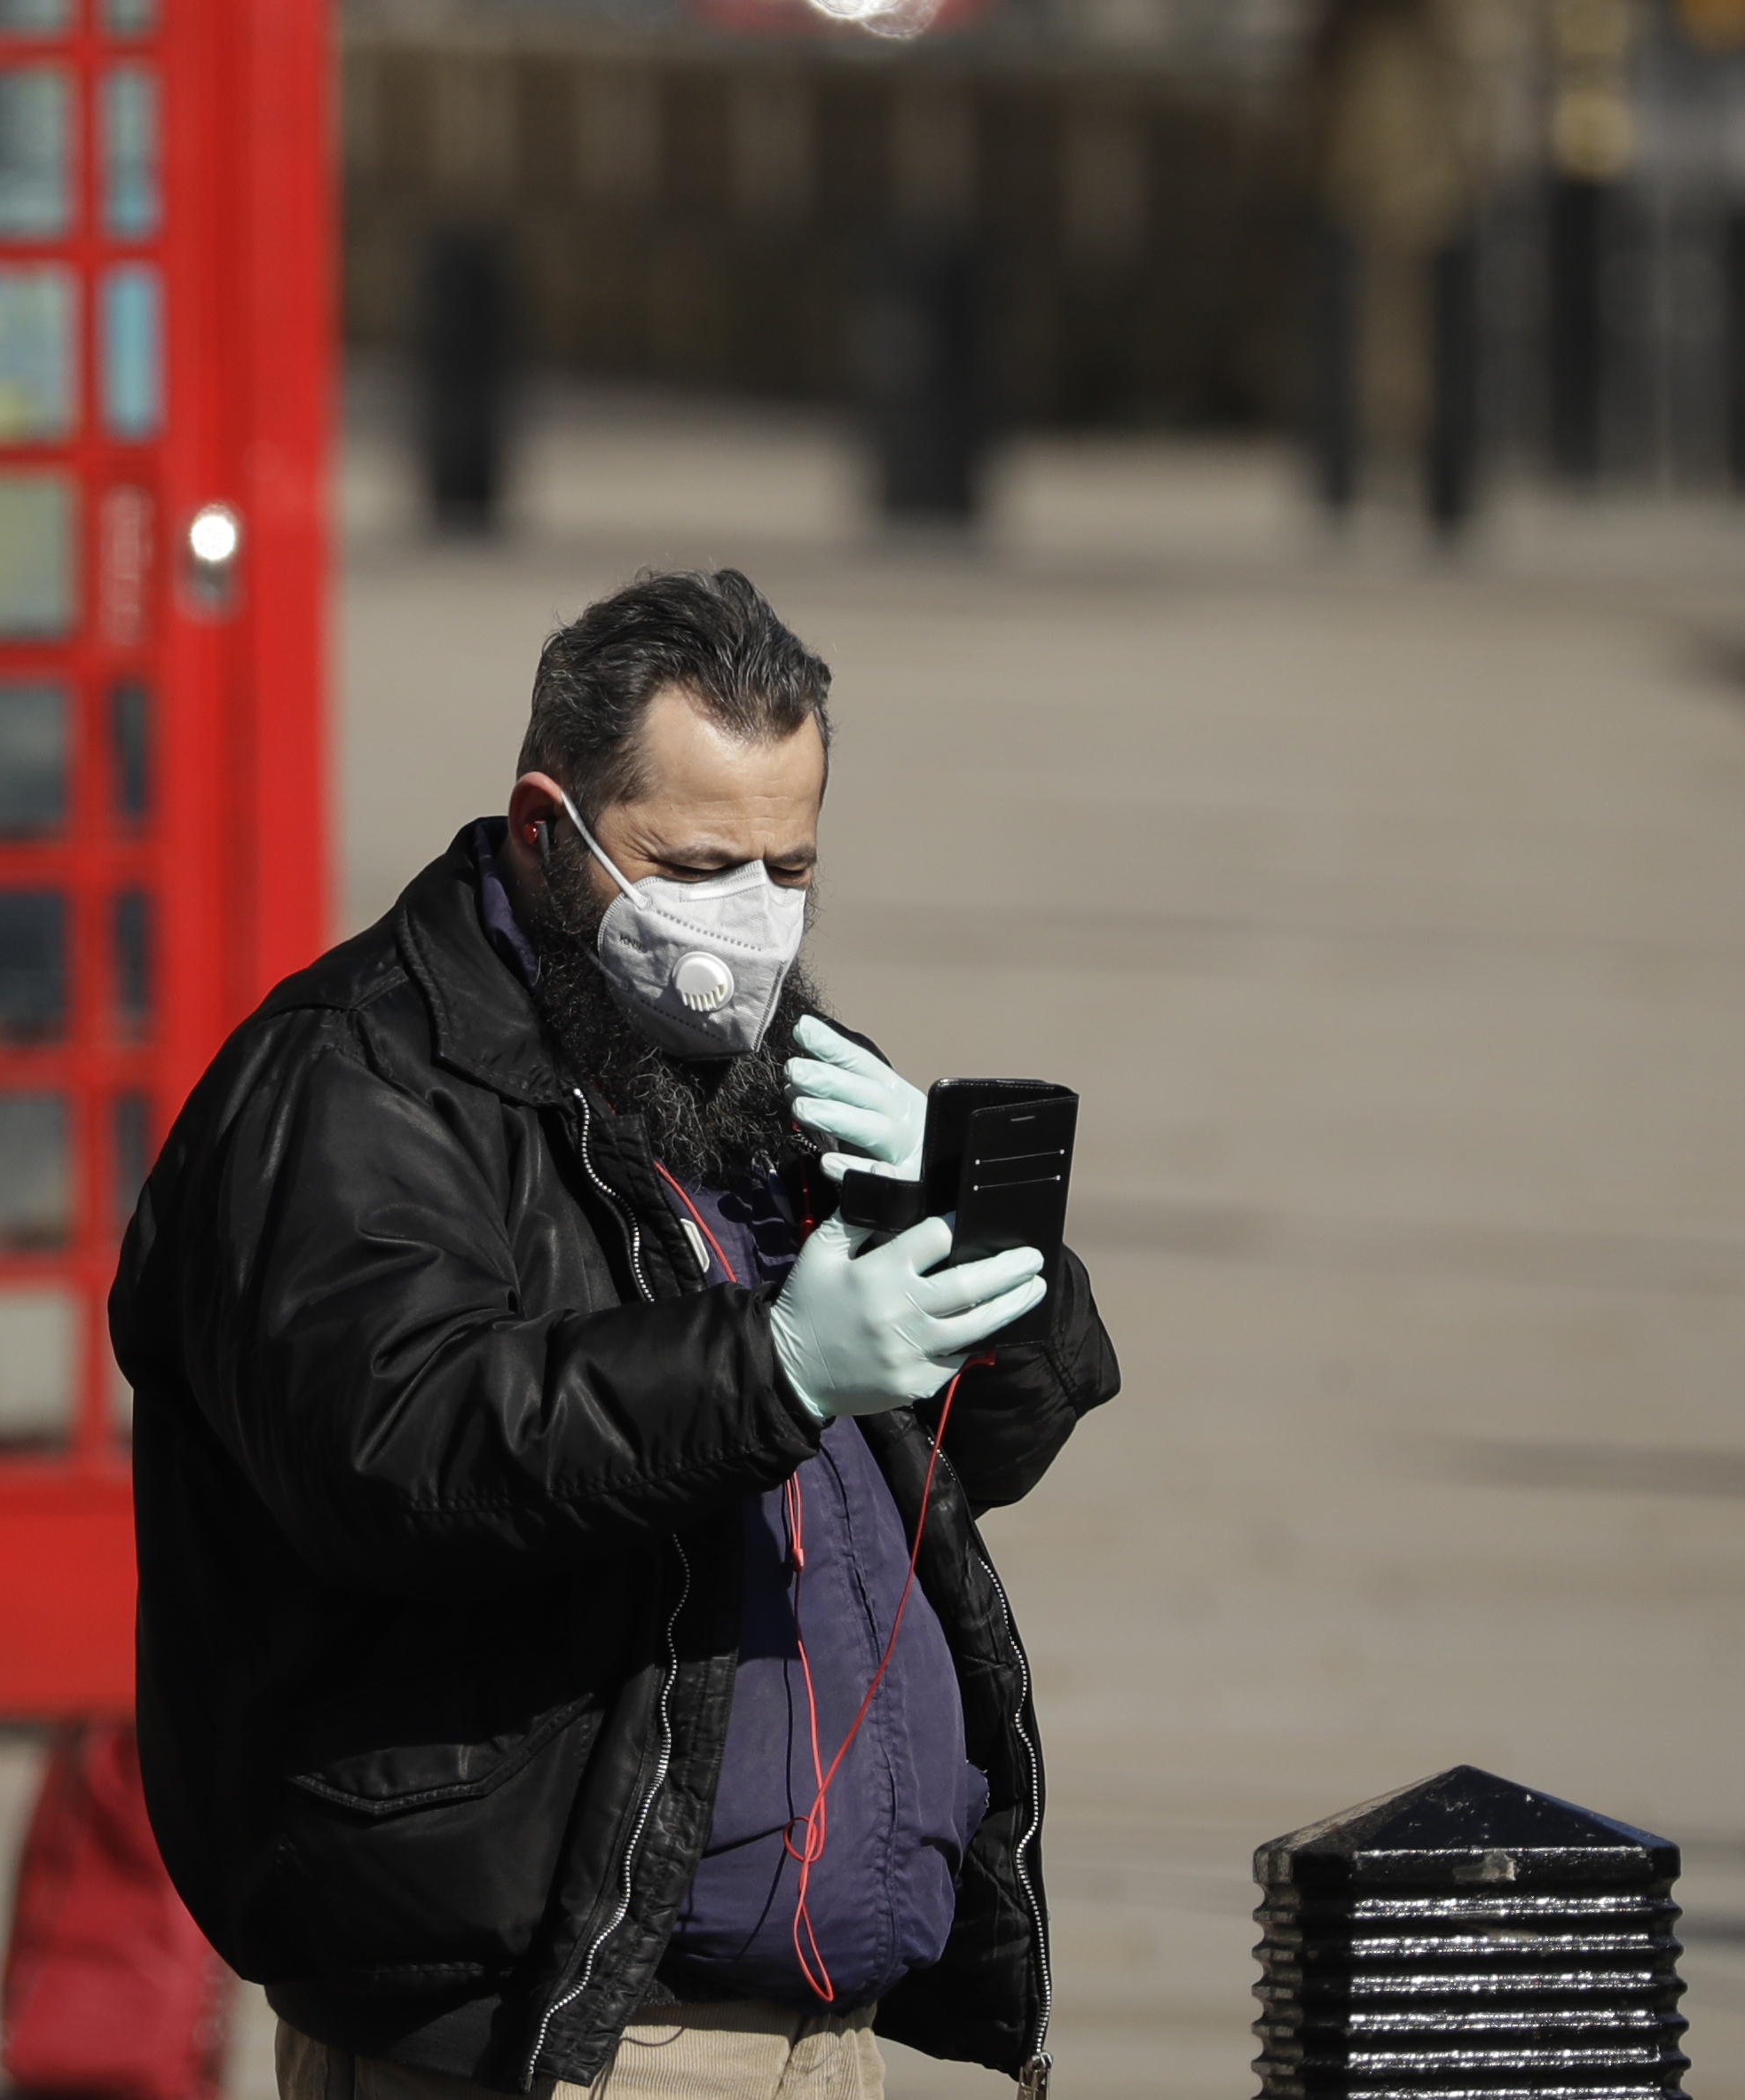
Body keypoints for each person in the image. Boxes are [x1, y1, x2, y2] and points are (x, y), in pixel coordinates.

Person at [111, 570, 1121, 2100]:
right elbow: (396, 1448)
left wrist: (988, 1243)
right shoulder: (355, 1082)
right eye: (699, 861)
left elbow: (981, 1448)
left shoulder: (777, 1067)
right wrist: (768, 1366)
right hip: (557, 2016)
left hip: (824, 2021)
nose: (753, 919)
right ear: (544, 825)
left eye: (791, 866)